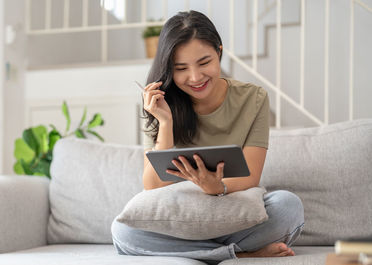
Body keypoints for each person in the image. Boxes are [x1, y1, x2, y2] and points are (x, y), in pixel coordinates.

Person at [111, 10, 305, 264]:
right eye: (181, 68)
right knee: (123, 232)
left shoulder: (253, 98)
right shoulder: (159, 104)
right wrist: (165, 122)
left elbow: (251, 176)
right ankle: (239, 254)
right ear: (169, 69)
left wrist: (219, 187)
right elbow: (152, 186)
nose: (195, 77)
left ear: (219, 52)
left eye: (204, 63)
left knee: (288, 206)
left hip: (232, 211)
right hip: (181, 221)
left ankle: (205, 252)